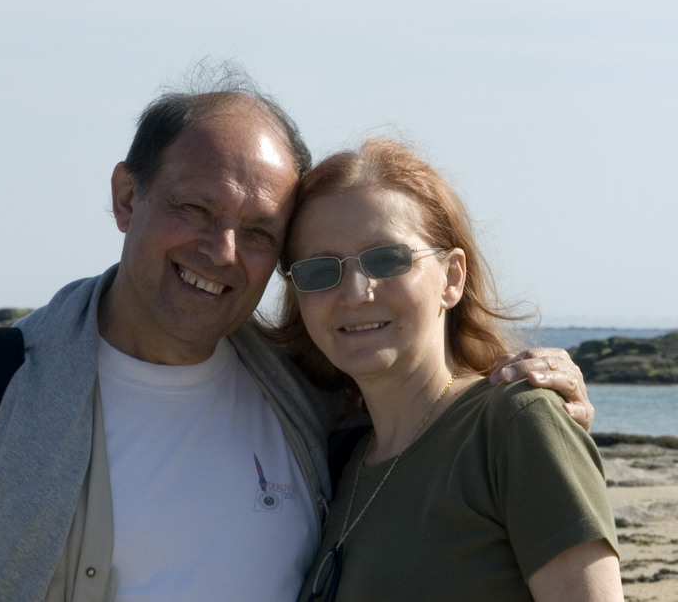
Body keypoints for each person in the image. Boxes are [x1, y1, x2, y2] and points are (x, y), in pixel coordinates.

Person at [0, 68, 593, 602]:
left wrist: (534, 401)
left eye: (257, 232)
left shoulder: (308, 404)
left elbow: (439, 415)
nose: (221, 252)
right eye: (196, 208)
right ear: (127, 196)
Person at [265, 138, 623, 601]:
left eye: (386, 259)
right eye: (319, 270)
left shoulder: (515, 423)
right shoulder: (341, 457)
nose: (354, 292)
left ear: (452, 277)